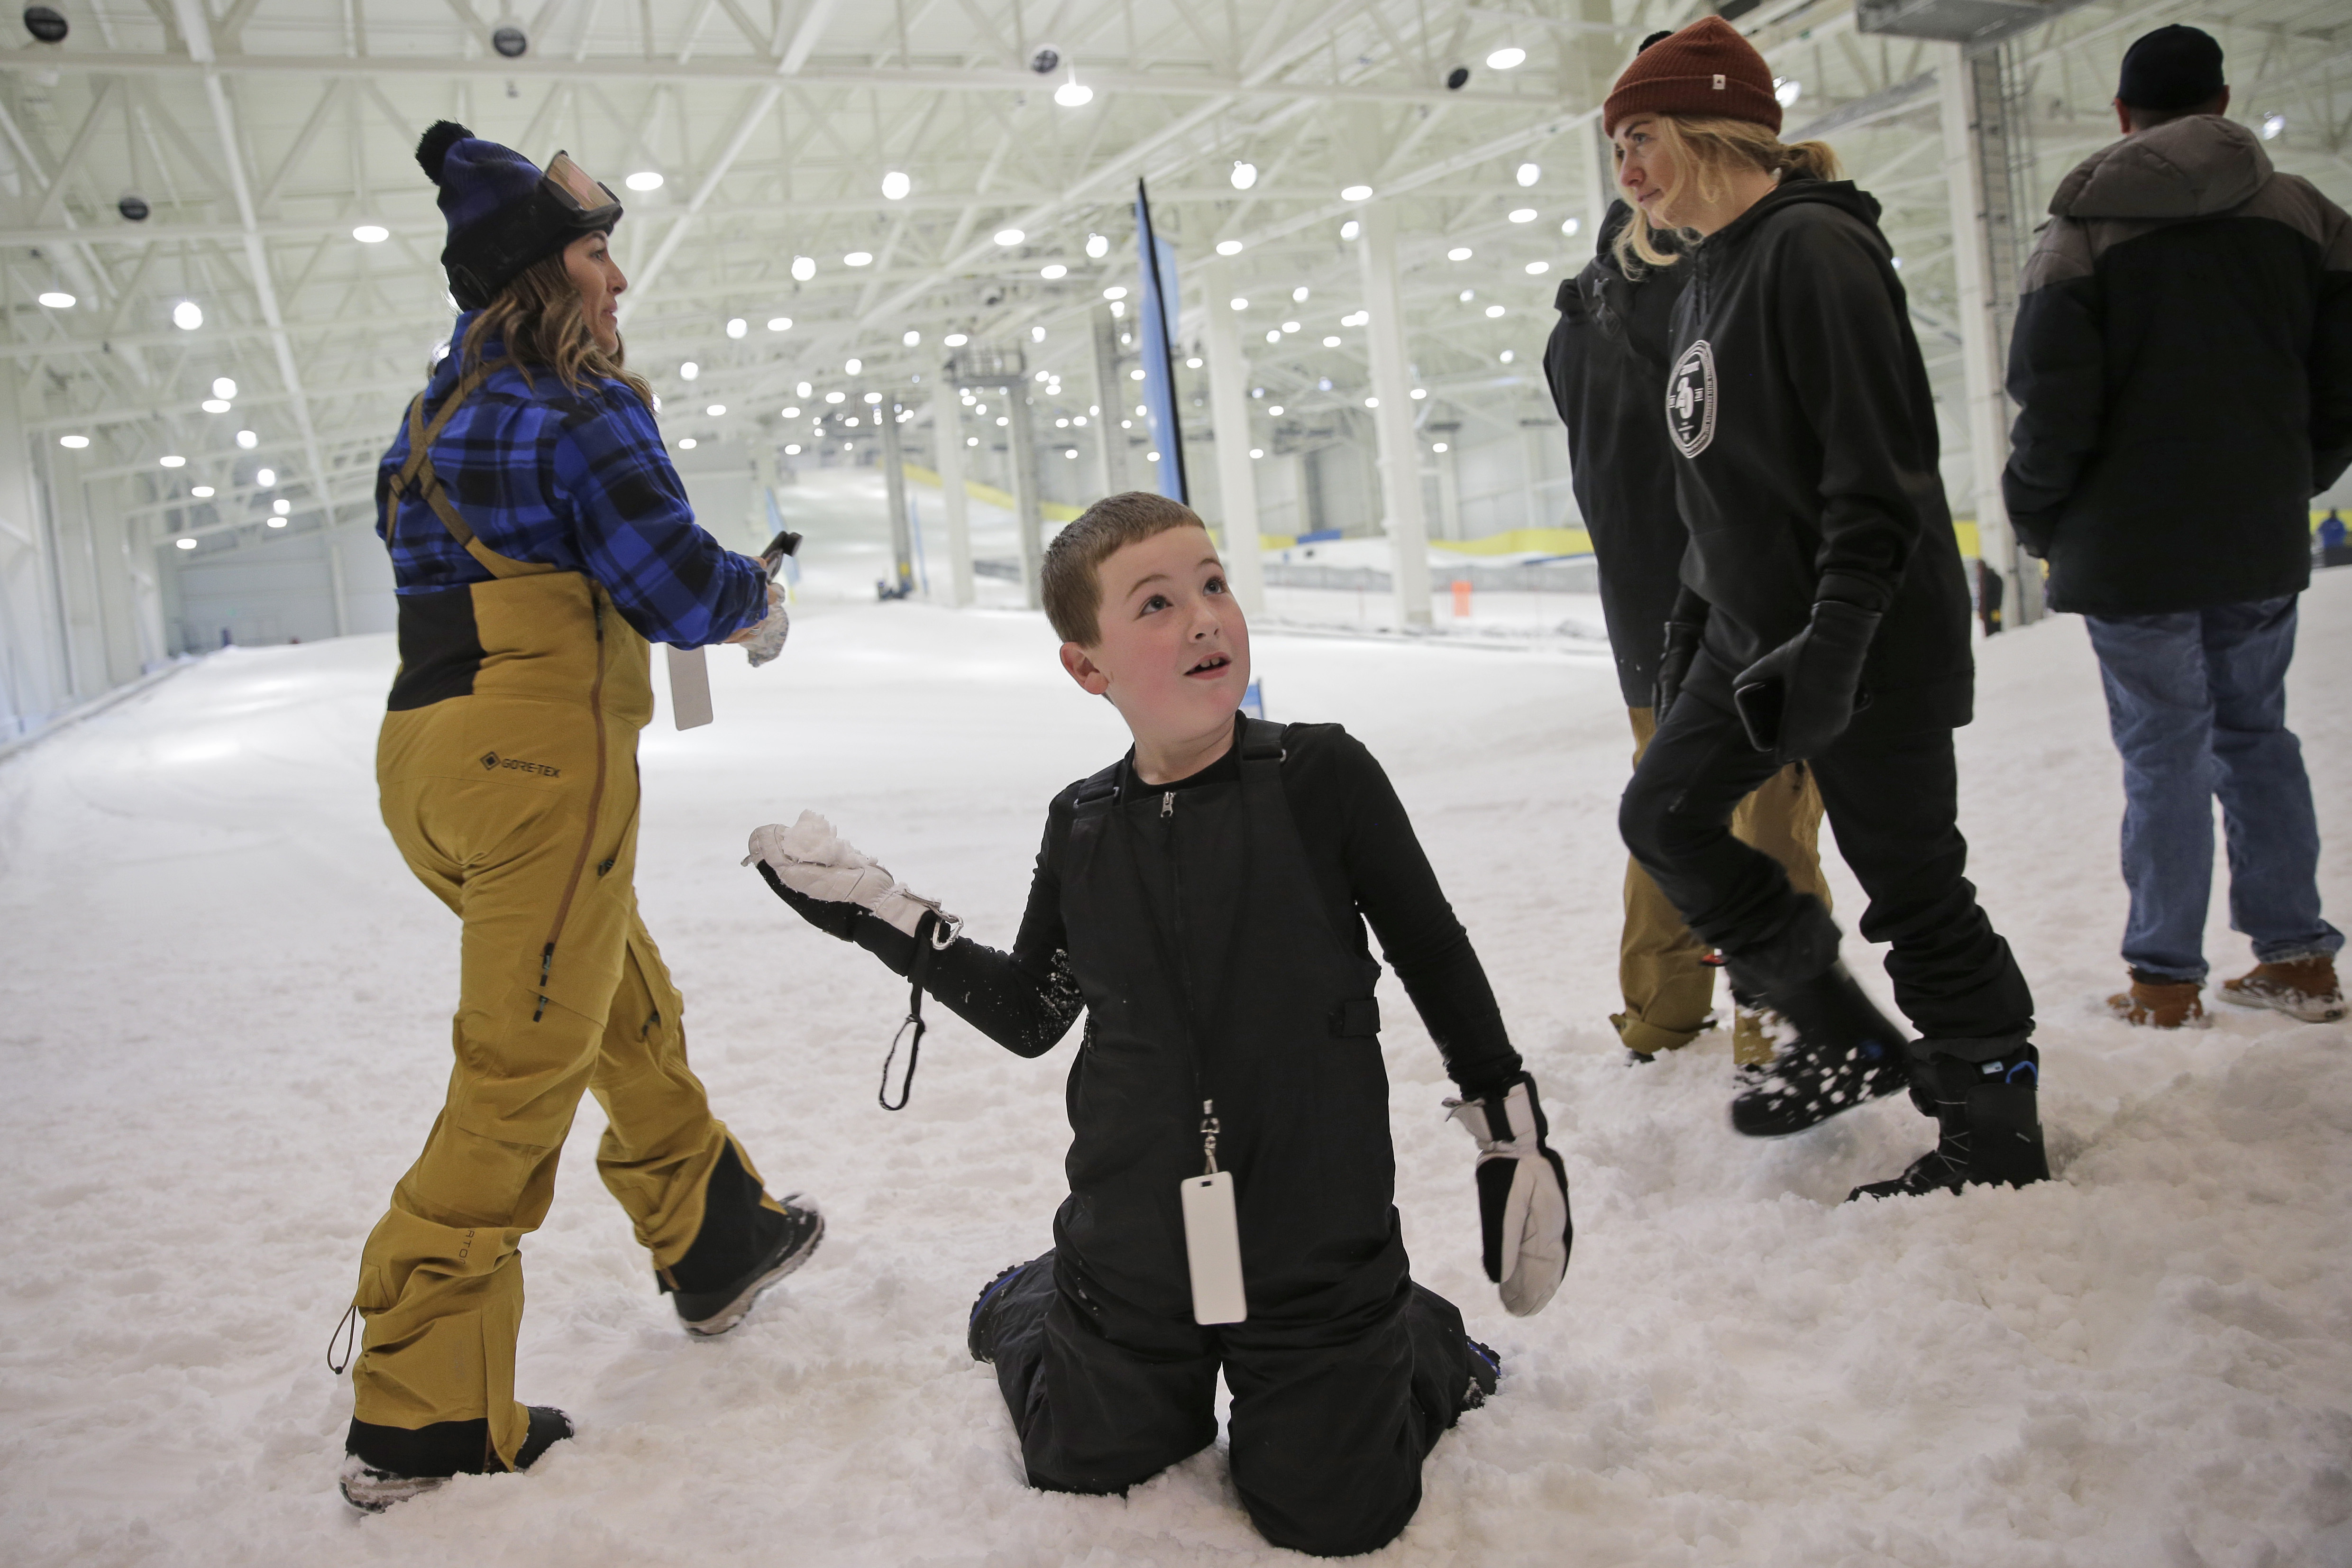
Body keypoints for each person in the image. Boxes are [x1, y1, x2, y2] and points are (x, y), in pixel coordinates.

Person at [750, 493, 1571, 1558]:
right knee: (1079, 1461)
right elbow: (1037, 1011)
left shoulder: (1323, 776)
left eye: (1213, 584)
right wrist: (884, 919)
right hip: (1135, 1243)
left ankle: (1416, 1333)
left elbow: (1435, 954)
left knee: (1334, 1514)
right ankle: (1041, 1299)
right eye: (1156, 602)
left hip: (1313, 1241)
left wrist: (1512, 1128)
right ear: (1087, 667)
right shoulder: (1082, 821)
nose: (1203, 619)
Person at [339, 122, 819, 1511]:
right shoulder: (578, 400)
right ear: (542, 273)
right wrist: (759, 601)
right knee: (519, 1068)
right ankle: (419, 1405)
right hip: (540, 756)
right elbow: (674, 584)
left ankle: (715, 1229)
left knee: (608, 987)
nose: (618, 281)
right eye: (597, 252)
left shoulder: (428, 417)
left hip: (425, 757)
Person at [1604, 18, 2048, 1200]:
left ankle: (1994, 1123)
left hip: (1865, 637)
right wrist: (1694, 631)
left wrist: (1836, 647)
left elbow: (1882, 483)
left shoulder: (1815, 253)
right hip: (1745, 639)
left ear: (1711, 126)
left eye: (1642, 136)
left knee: (1912, 883)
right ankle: (1838, 1028)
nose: (1628, 168)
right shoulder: (1706, 274)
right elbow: (1725, 493)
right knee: (1666, 816)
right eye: (1618, 148)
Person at [2004, 24, 2351, 1029]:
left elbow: (2053, 405)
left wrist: (2039, 517)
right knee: (2257, 736)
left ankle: (2164, 979)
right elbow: (2345, 381)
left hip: (2128, 548)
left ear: (2122, 117)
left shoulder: (2079, 232)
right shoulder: (2310, 218)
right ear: (2224, 103)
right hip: (2257, 534)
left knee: (2164, 751)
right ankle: (2297, 958)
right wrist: (2295, 476)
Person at [1545, 103, 1835, 1070]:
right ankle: (1780, 1017)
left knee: (1663, 810)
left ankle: (1664, 1009)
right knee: (1768, 818)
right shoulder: (1725, 278)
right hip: (1743, 601)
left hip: (1639, 612)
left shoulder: (1578, 314)